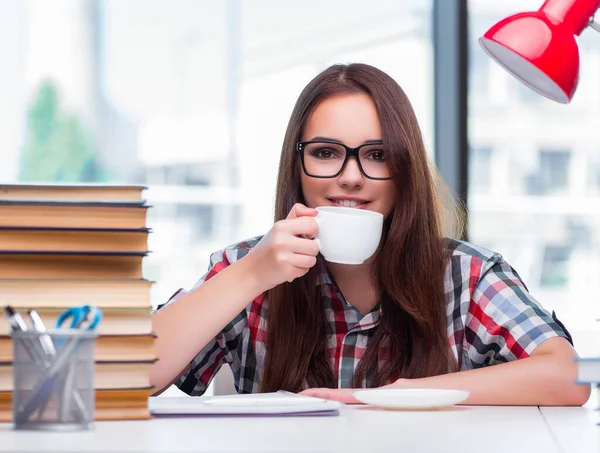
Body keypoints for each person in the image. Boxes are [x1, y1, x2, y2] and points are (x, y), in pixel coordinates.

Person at [150, 63, 590, 406]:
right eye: (325, 153)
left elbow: (568, 377)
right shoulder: (248, 267)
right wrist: (249, 276)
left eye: (377, 155)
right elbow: (126, 376)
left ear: (405, 169)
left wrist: (398, 396)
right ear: (296, 167)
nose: (350, 178)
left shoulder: (466, 277)